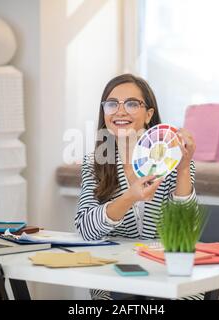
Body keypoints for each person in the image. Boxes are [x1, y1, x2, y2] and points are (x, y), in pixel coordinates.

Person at [75, 74, 202, 300]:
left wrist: (183, 169)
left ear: (148, 115)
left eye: (132, 104)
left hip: (169, 277)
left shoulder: (173, 159)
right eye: (112, 104)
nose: (120, 111)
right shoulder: (94, 163)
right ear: (104, 113)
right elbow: (86, 230)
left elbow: (185, 230)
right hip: (114, 281)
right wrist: (128, 198)